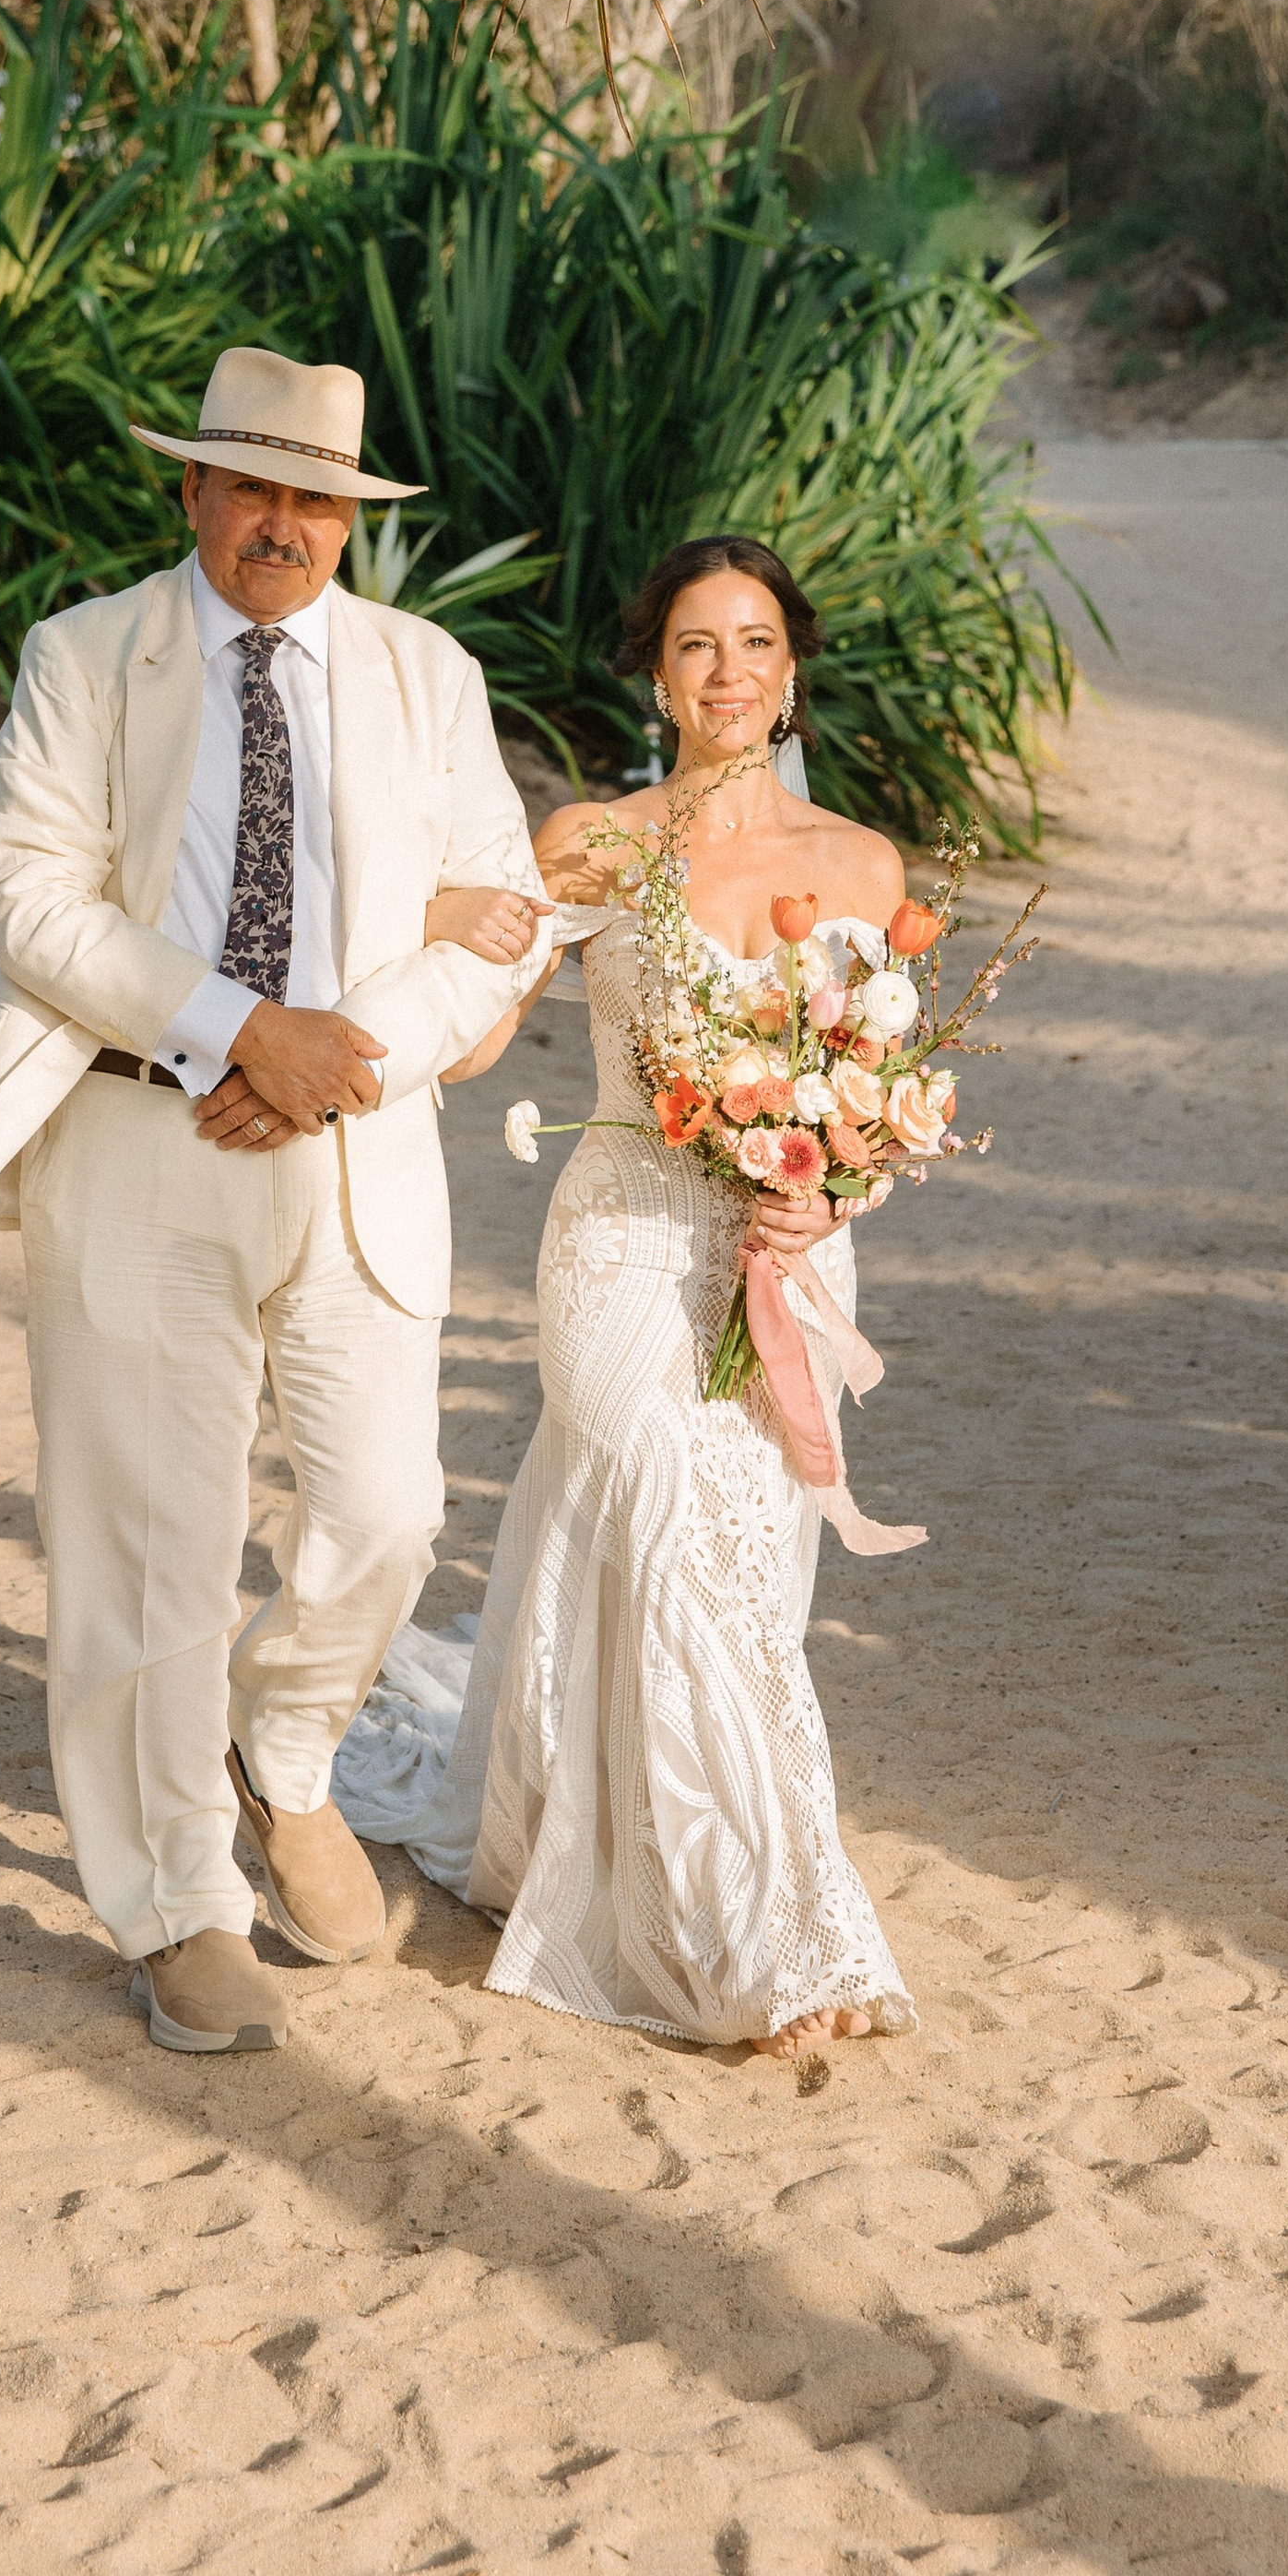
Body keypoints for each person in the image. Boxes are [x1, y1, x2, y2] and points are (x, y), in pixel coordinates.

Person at [0, 347, 549, 2056]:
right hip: (137, 1140)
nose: (286, 525)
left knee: (390, 1510)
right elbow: (24, 896)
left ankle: (284, 1755)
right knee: (148, 1546)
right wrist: (237, 1031)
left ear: (353, 513)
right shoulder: (83, 658)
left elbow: (503, 918)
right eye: (254, 488)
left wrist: (340, 1059)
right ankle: (176, 1900)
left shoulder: (430, 674)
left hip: (356, 1143)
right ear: (191, 491)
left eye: (318, 498)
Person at [336, 535, 921, 2056]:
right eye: (694, 646)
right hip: (621, 1240)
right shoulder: (597, 844)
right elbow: (474, 1038)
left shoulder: (865, 868)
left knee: (739, 1570)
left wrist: (830, 1184)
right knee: (658, 1514)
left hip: (784, 1252)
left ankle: (658, 1864)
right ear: (653, 674)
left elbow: (880, 1098)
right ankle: (763, 1940)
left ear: (792, 669)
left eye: (753, 642)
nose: (727, 672)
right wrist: (409, 964)